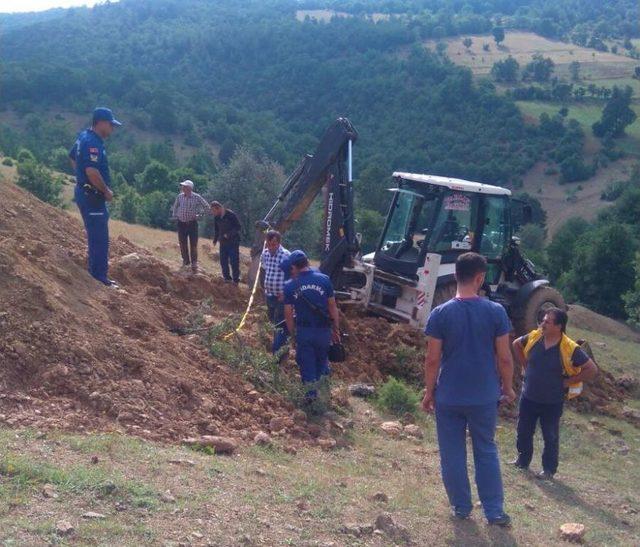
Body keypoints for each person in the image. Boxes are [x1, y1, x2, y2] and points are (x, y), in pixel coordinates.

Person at [422, 252, 514, 526]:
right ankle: (494, 511)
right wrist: (507, 388)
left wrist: (429, 392)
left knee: (452, 452)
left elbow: (432, 359)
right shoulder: (496, 312)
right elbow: (505, 358)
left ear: (456, 275)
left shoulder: (440, 314)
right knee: (485, 449)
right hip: (484, 395)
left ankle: (461, 507)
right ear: (480, 278)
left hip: (449, 395)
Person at [511, 308, 598, 480]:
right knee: (523, 430)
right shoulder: (535, 337)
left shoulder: (569, 348)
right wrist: (526, 366)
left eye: (547, 321)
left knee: (550, 435)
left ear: (558, 326)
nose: (542, 323)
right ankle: (522, 461)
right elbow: (516, 344)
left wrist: (567, 382)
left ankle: (549, 469)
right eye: (543, 320)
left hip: (552, 401)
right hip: (528, 396)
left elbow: (591, 369)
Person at [68, 107, 121, 287]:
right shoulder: (93, 142)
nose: (112, 129)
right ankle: (99, 278)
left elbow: (72, 157)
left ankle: (96, 274)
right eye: (111, 125)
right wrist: (105, 191)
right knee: (99, 238)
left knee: (96, 236)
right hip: (93, 196)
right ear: (101, 122)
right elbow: (92, 171)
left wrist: (81, 177)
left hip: (87, 193)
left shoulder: (84, 137)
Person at [283, 250, 340, 404]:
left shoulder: (289, 286)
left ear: (294, 267)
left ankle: (311, 401)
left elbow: (288, 314)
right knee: (322, 362)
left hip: (304, 331)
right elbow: (333, 307)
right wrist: (336, 329)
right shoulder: (324, 280)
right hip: (323, 331)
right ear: (307, 262)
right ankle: (323, 398)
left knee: (306, 364)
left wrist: (293, 334)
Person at [260, 230, 290, 354]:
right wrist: (263, 287)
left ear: (278, 243)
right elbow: (264, 270)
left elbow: (292, 276)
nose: (271, 247)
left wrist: (286, 293)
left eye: (273, 244)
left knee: (280, 324)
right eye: (268, 244)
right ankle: (280, 347)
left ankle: (278, 354)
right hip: (269, 295)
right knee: (273, 322)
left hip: (282, 297)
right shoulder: (265, 254)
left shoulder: (286, 255)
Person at [170, 180, 210, 273]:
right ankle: (186, 261)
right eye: (182, 186)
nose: (182, 188)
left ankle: (194, 263)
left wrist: (199, 216)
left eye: (184, 187)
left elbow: (207, 207)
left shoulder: (196, 197)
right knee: (182, 243)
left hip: (192, 223)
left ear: (189, 188)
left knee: (193, 244)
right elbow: (175, 206)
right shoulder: (180, 196)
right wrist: (175, 215)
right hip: (181, 223)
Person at [211, 201, 241, 284]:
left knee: (234, 261)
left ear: (219, 208)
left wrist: (229, 234)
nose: (213, 213)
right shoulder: (216, 217)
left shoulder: (231, 215)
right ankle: (227, 278)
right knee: (223, 261)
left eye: (214, 211)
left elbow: (238, 227)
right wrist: (215, 239)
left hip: (233, 242)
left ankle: (236, 279)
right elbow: (217, 229)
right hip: (223, 242)